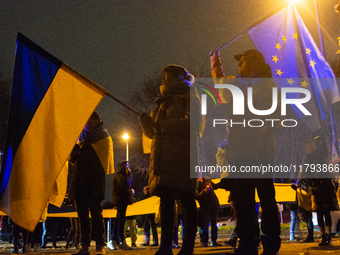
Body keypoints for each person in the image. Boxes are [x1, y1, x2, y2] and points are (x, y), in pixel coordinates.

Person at [210, 49, 281, 255]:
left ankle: (269, 243)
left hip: (260, 152)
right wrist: (215, 60)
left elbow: (276, 116)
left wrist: (262, 136)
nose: (239, 65)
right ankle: (249, 243)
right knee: (243, 201)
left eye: (242, 61)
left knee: (266, 199)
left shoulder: (267, 85)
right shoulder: (238, 84)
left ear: (252, 63)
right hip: (239, 152)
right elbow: (220, 82)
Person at [140, 64, 201, 255]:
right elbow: (153, 132)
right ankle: (165, 246)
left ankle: (187, 247)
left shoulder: (190, 95)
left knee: (186, 199)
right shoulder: (160, 102)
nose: (164, 77)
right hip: (162, 158)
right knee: (165, 202)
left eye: (168, 74)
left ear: (179, 76)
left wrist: (160, 126)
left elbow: (191, 122)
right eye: (163, 74)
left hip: (183, 155)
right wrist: (146, 126)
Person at [71, 111, 114, 255]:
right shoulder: (83, 137)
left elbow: (97, 158)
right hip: (80, 181)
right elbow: (75, 159)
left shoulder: (103, 136)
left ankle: (99, 245)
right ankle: (85, 246)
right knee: (82, 216)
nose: (84, 125)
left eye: (87, 121)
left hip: (94, 181)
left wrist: (80, 149)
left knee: (96, 214)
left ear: (95, 120)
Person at [303, 137, 339, 246]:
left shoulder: (313, 157)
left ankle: (325, 236)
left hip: (319, 187)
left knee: (322, 213)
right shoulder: (324, 157)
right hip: (323, 186)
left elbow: (306, 173)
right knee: (323, 213)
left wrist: (311, 182)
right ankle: (326, 236)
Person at [108, 160, 134, 250]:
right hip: (120, 200)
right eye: (126, 165)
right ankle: (121, 241)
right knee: (121, 220)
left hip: (122, 200)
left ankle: (113, 240)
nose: (128, 167)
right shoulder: (119, 175)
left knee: (120, 220)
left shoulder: (121, 175)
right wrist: (129, 175)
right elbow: (125, 185)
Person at [197, 178, 221, 247]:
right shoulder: (196, 183)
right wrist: (204, 191)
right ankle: (205, 242)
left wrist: (222, 182)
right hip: (205, 207)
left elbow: (215, 186)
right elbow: (197, 196)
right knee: (206, 225)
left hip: (214, 205)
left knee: (214, 224)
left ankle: (214, 241)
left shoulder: (207, 179)